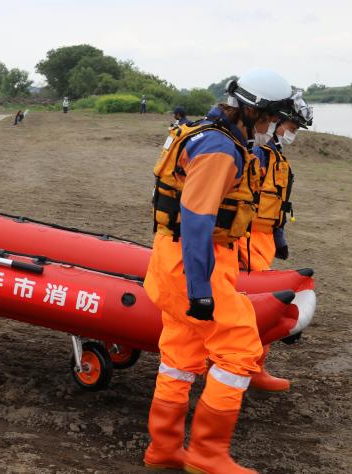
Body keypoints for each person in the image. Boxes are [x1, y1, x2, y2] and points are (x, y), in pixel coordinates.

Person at [144, 69, 293, 473]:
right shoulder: (219, 149)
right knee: (240, 349)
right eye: (268, 120)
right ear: (249, 110)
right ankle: (207, 453)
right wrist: (200, 290)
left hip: (180, 259)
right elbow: (195, 221)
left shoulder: (210, 135)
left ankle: (165, 449)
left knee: (180, 354)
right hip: (195, 262)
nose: (270, 129)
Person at [238, 90, 313, 392]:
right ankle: (239, 365)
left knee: (259, 305)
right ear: (274, 122)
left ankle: (255, 367)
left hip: (262, 243)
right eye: (292, 128)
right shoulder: (253, 154)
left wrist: (278, 238)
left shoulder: (275, 157)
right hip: (244, 244)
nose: (293, 135)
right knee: (250, 307)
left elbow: (275, 205)